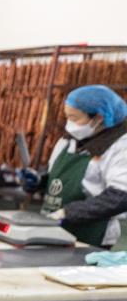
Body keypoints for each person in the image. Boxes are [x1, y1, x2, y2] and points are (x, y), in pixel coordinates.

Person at [21, 84, 127, 248]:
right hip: (51, 227)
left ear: (98, 118)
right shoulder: (67, 141)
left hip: (90, 235)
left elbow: (120, 197)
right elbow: (60, 179)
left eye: (75, 118)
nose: (69, 124)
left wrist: (69, 213)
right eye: (67, 117)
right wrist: (39, 181)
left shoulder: (120, 146)